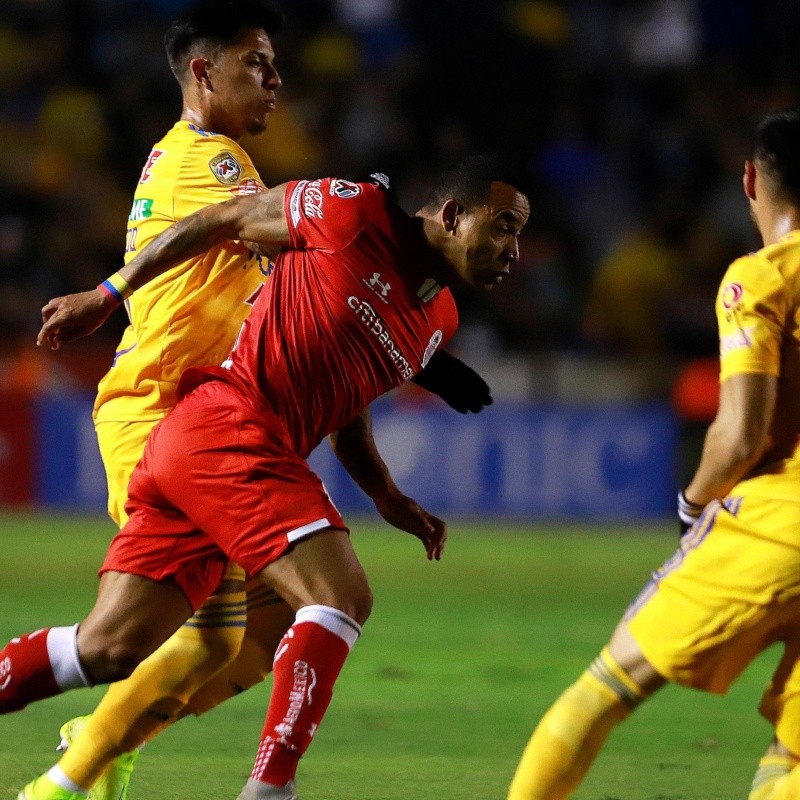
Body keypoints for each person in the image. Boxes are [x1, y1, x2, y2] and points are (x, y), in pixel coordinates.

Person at [16, 2, 492, 799]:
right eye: (255, 63)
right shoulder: (211, 163)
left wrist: (410, 343)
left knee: (259, 634)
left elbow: (324, 317)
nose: (275, 80)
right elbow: (295, 255)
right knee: (202, 637)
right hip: (166, 411)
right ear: (203, 73)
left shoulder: (212, 160)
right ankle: (86, 763)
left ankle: (101, 746)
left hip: (214, 422)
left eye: (275, 65)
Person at [506, 109, 800, 800]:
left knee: (606, 689)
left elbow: (741, 432)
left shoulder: (759, 278)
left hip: (774, 524)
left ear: (751, 180)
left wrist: (692, 503)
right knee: (791, 751)